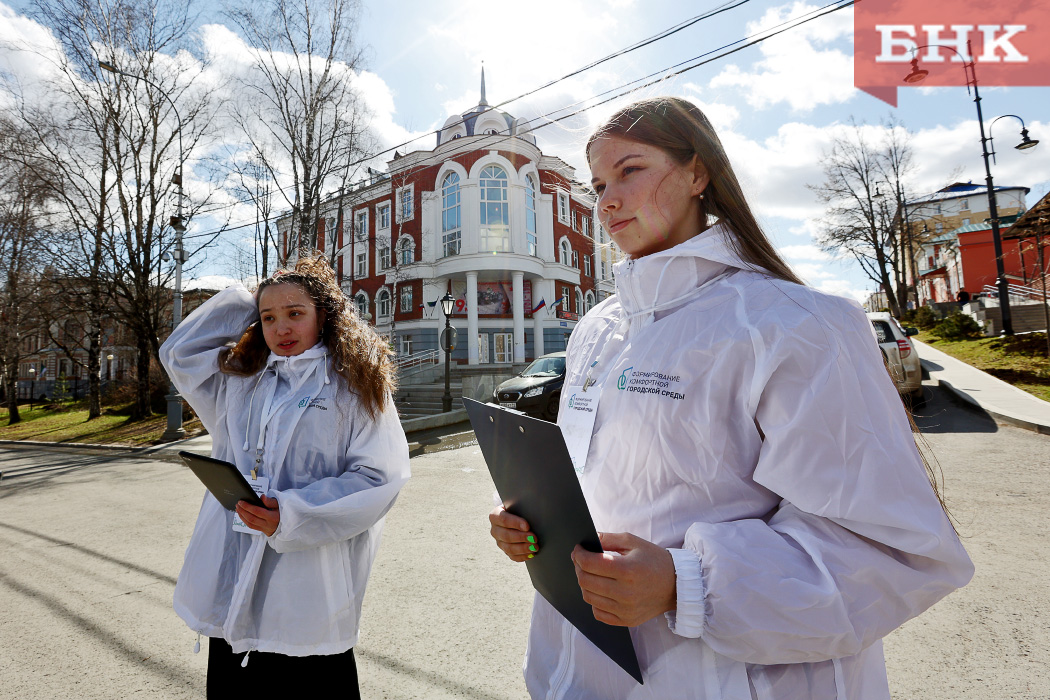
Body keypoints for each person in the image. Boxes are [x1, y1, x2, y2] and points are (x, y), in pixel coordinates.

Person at [488, 97, 973, 699]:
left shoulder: (797, 324)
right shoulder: (598, 330)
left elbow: (893, 552)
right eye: (598, 184)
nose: (607, 200)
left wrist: (682, 583)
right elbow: (604, 483)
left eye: (630, 171)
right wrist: (536, 522)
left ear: (698, 173)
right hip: (585, 670)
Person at [161, 255, 409, 698]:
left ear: (324, 316)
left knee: (303, 670)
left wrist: (293, 514)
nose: (281, 328)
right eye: (269, 318)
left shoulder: (355, 385)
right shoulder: (244, 380)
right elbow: (179, 354)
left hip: (308, 579)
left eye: (295, 313)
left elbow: (379, 477)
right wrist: (249, 299)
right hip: (233, 568)